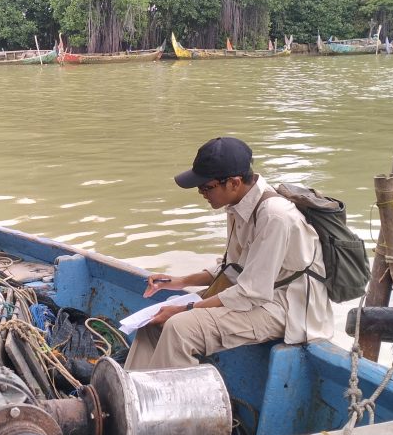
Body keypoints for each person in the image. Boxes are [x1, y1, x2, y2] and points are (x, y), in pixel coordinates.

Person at [125, 136, 333, 371]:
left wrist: (184, 309)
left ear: (234, 182)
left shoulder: (275, 216)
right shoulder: (238, 206)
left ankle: (173, 394)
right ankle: (132, 386)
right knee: (154, 320)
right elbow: (233, 267)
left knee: (179, 327)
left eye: (207, 187)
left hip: (287, 310)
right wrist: (181, 281)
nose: (201, 193)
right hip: (258, 296)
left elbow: (250, 293)